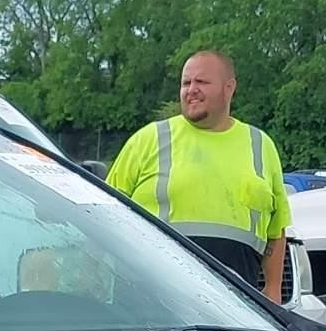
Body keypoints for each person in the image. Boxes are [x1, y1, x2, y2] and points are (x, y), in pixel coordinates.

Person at [105, 50, 294, 302]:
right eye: (186, 82)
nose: (191, 89)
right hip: (150, 302)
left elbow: (275, 228)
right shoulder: (149, 139)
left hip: (235, 306)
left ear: (229, 88)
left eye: (201, 82)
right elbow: (104, 214)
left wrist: (272, 289)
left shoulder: (261, 145)